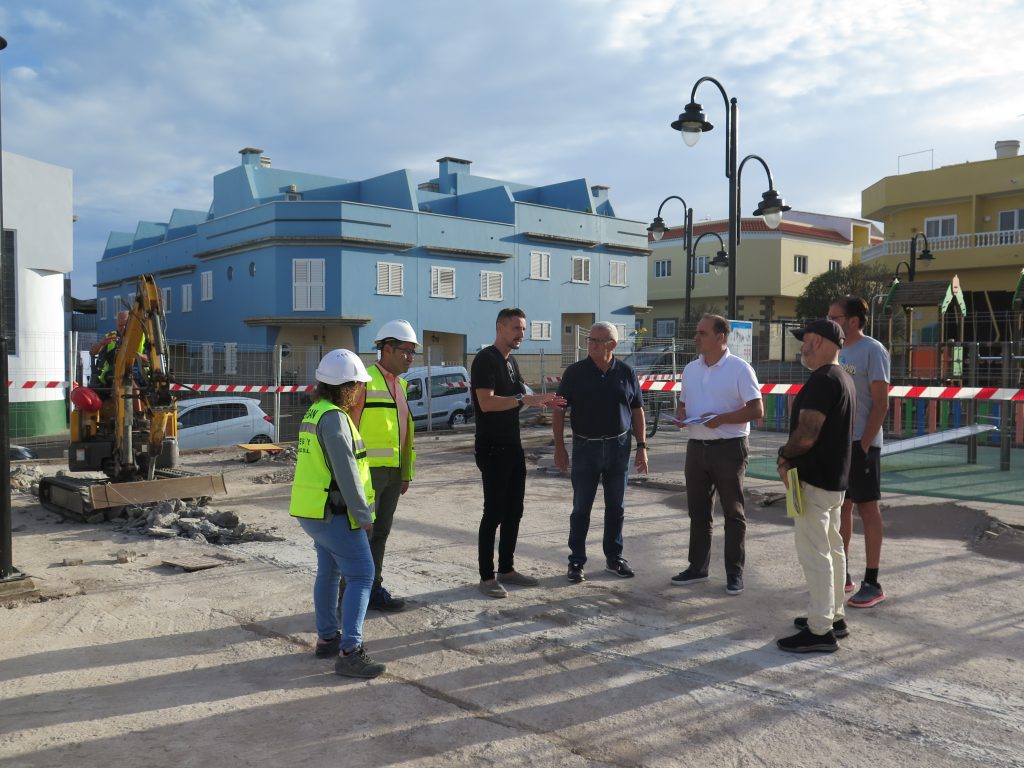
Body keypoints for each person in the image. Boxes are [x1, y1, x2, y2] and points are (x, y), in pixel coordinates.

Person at [289, 348, 385, 678]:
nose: (361, 391)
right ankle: (350, 651)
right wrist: (364, 516)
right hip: (335, 514)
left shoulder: (315, 412)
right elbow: (345, 472)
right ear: (347, 387)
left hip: (312, 512)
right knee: (361, 575)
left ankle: (328, 638)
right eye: (359, 385)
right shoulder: (335, 418)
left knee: (328, 571)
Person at [472, 307, 565, 599]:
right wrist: (524, 398)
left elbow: (520, 395)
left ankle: (507, 569)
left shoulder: (510, 362)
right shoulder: (485, 360)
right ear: (500, 327)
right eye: (516, 328)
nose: (521, 334)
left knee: (515, 510)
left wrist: (541, 401)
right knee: (494, 512)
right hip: (492, 447)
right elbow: (486, 403)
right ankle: (486, 577)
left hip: (513, 445)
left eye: (523, 329)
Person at [776, 319, 854, 654]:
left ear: (820, 342)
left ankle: (820, 630)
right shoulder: (842, 377)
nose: (801, 346)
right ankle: (833, 616)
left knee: (815, 553)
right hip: (833, 480)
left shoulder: (823, 381)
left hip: (814, 479)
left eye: (805, 340)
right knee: (833, 548)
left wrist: (783, 456)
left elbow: (807, 434)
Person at [671, 314, 763, 596]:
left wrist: (722, 418)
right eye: (696, 332)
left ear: (721, 337)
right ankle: (697, 568)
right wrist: (680, 415)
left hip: (729, 448)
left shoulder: (739, 369)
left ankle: (734, 573)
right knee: (698, 512)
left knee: (733, 513)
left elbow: (757, 410)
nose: (696, 337)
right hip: (696, 447)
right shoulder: (691, 369)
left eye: (702, 333)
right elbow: (684, 404)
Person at [553, 322, 647, 583]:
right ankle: (576, 561)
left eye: (597, 340)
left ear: (612, 345)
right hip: (585, 448)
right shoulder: (574, 373)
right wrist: (560, 447)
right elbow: (559, 410)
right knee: (581, 508)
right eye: (590, 340)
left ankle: (614, 558)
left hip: (619, 448)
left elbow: (637, 410)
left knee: (616, 507)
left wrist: (642, 447)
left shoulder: (627, 373)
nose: (591, 344)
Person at [349, 319, 419, 613]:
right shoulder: (363, 382)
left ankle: (373, 588)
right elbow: (348, 429)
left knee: (381, 533)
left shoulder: (400, 386)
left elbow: (404, 433)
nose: (410, 357)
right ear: (387, 349)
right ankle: (350, 593)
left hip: (392, 474)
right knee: (360, 534)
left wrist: (405, 473)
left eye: (413, 352)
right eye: (406, 351)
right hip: (366, 474)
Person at [828, 296, 891, 608]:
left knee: (868, 510)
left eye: (835, 317)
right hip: (839, 445)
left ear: (853, 320)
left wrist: (865, 443)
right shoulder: (836, 351)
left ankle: (873, 581)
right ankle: (844, 574)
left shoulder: (872, 350)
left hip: (862, 444)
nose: (830, 322)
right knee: (842, 508)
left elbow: (881, 402)